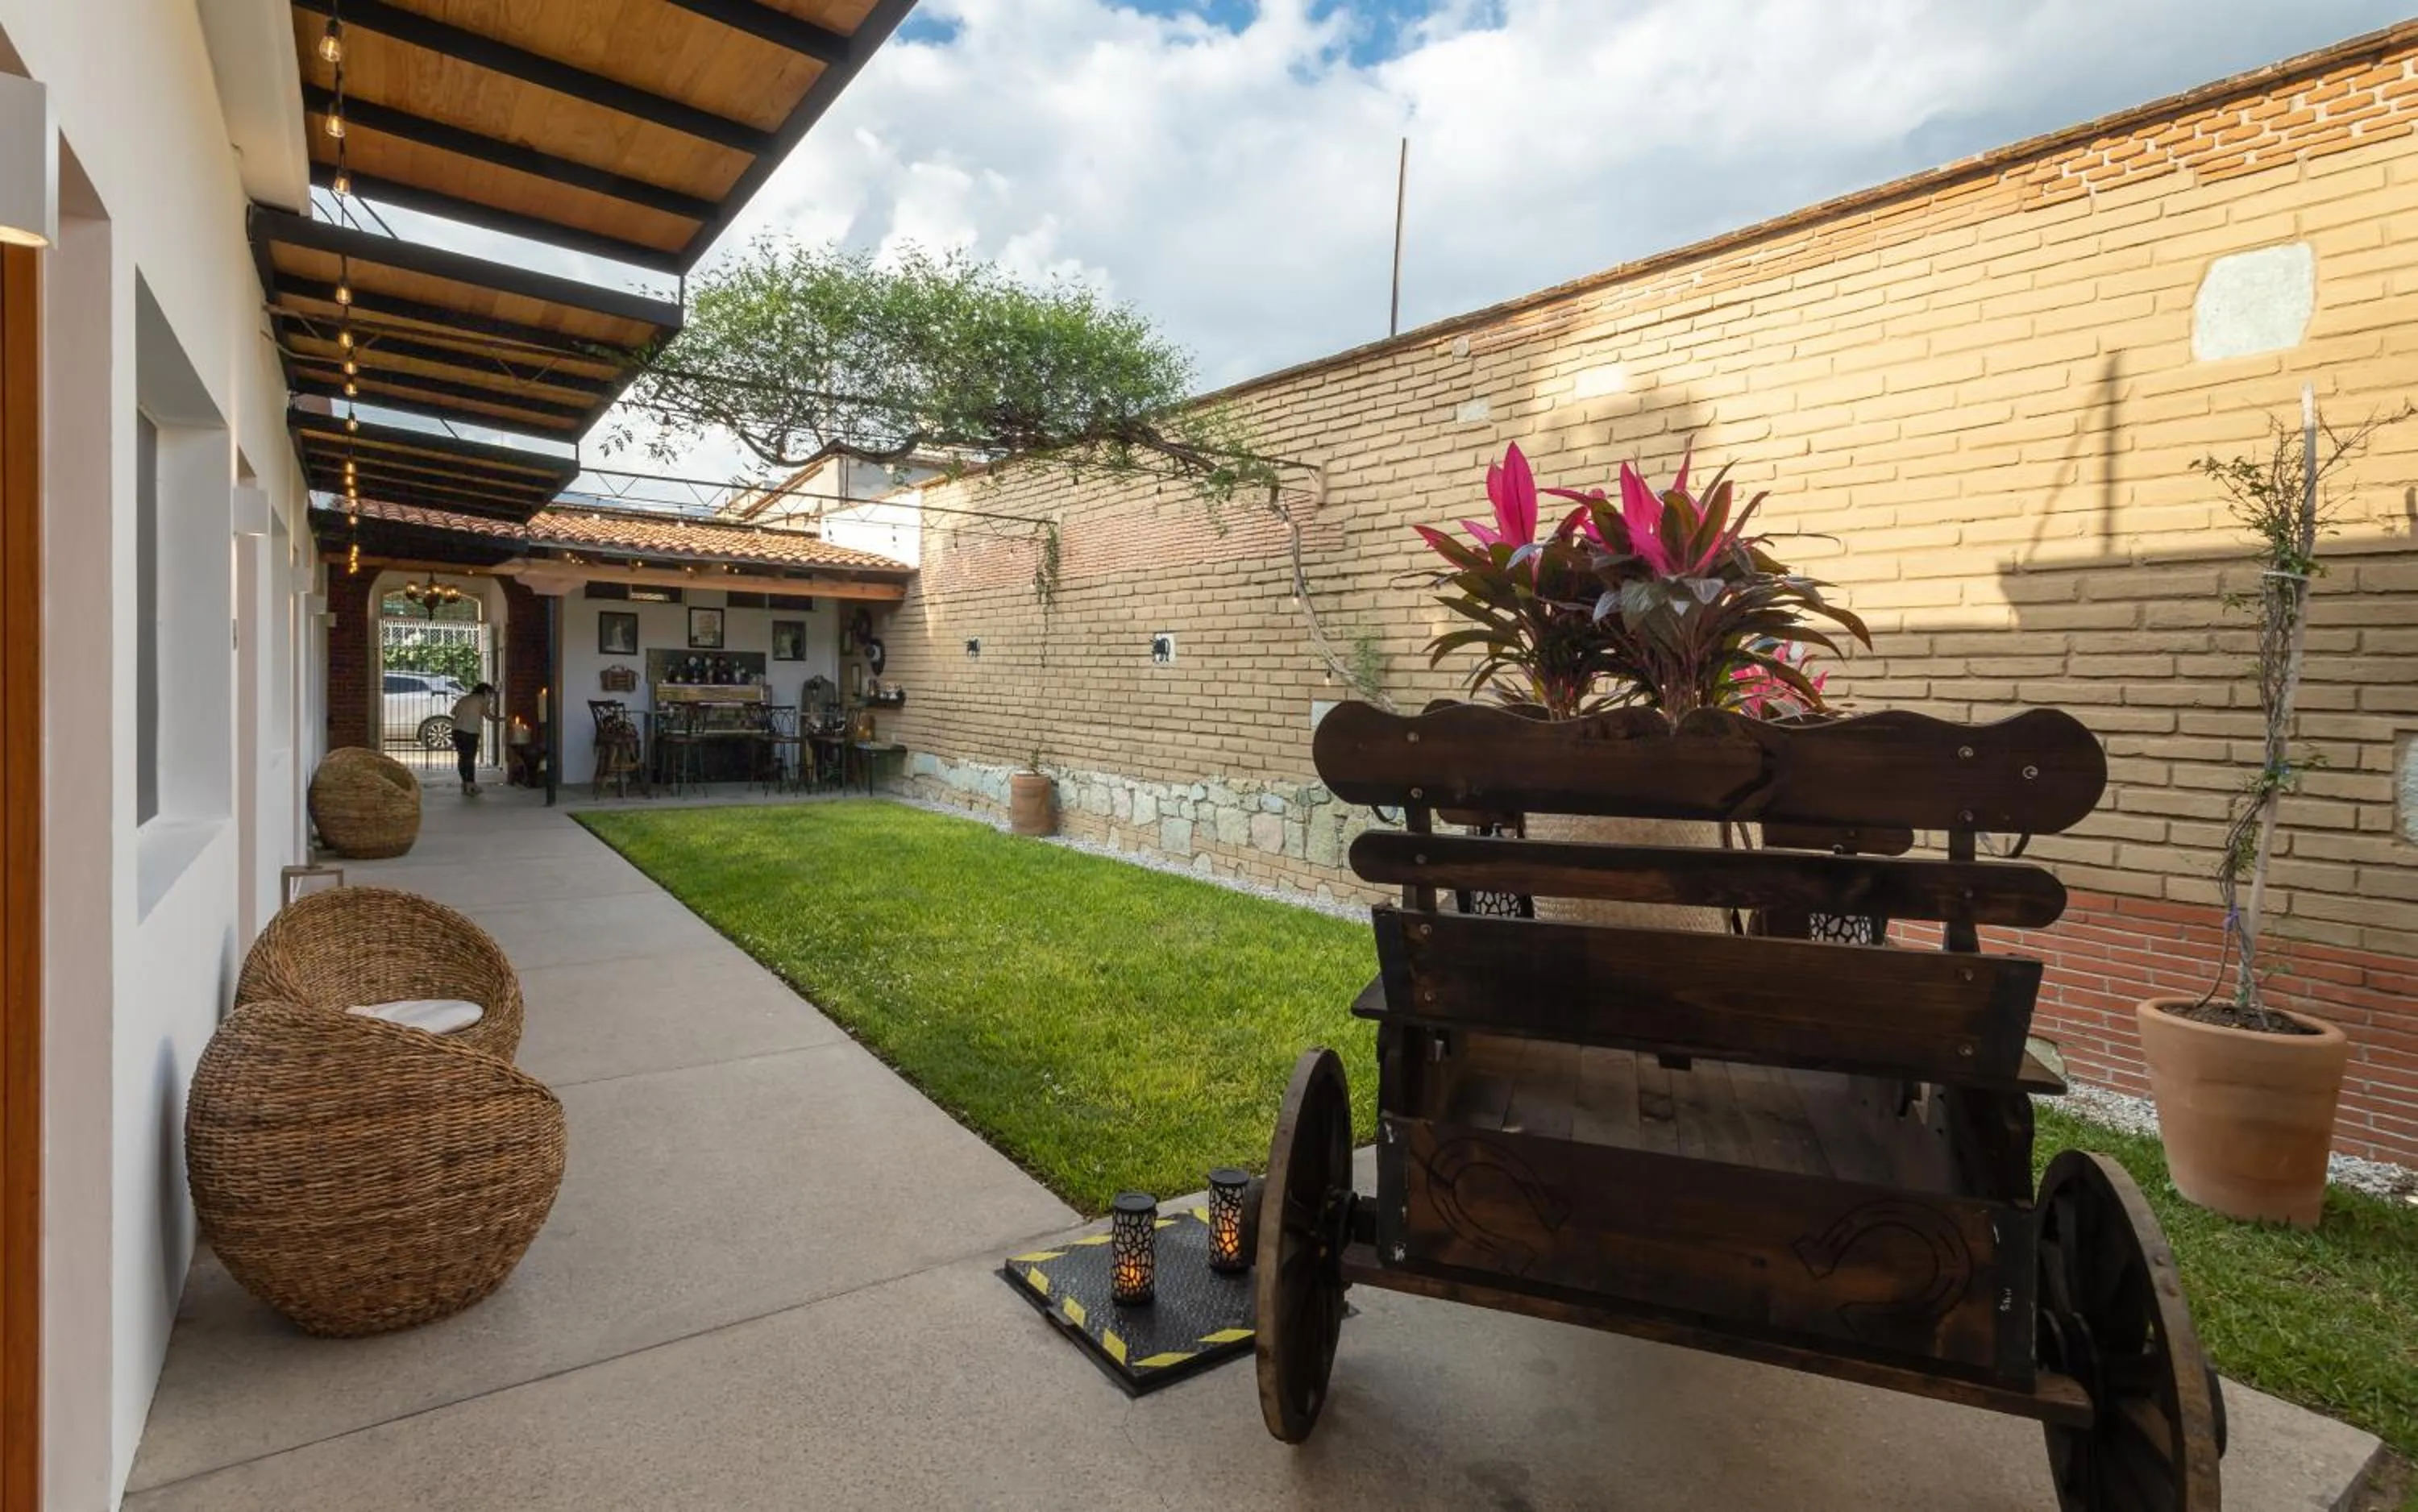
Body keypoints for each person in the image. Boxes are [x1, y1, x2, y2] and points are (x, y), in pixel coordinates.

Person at [450, 682, 498, 795]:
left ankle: (465, 783)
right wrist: (503, 719)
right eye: (490, 694)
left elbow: (453, 712)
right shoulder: (482, 699)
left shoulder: (464, 699)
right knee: (470, 758)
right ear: (486, 692)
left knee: (462, 757)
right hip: (470, 732)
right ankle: (471, 785)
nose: (491, 697)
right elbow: (488, 716)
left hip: (457, 730)